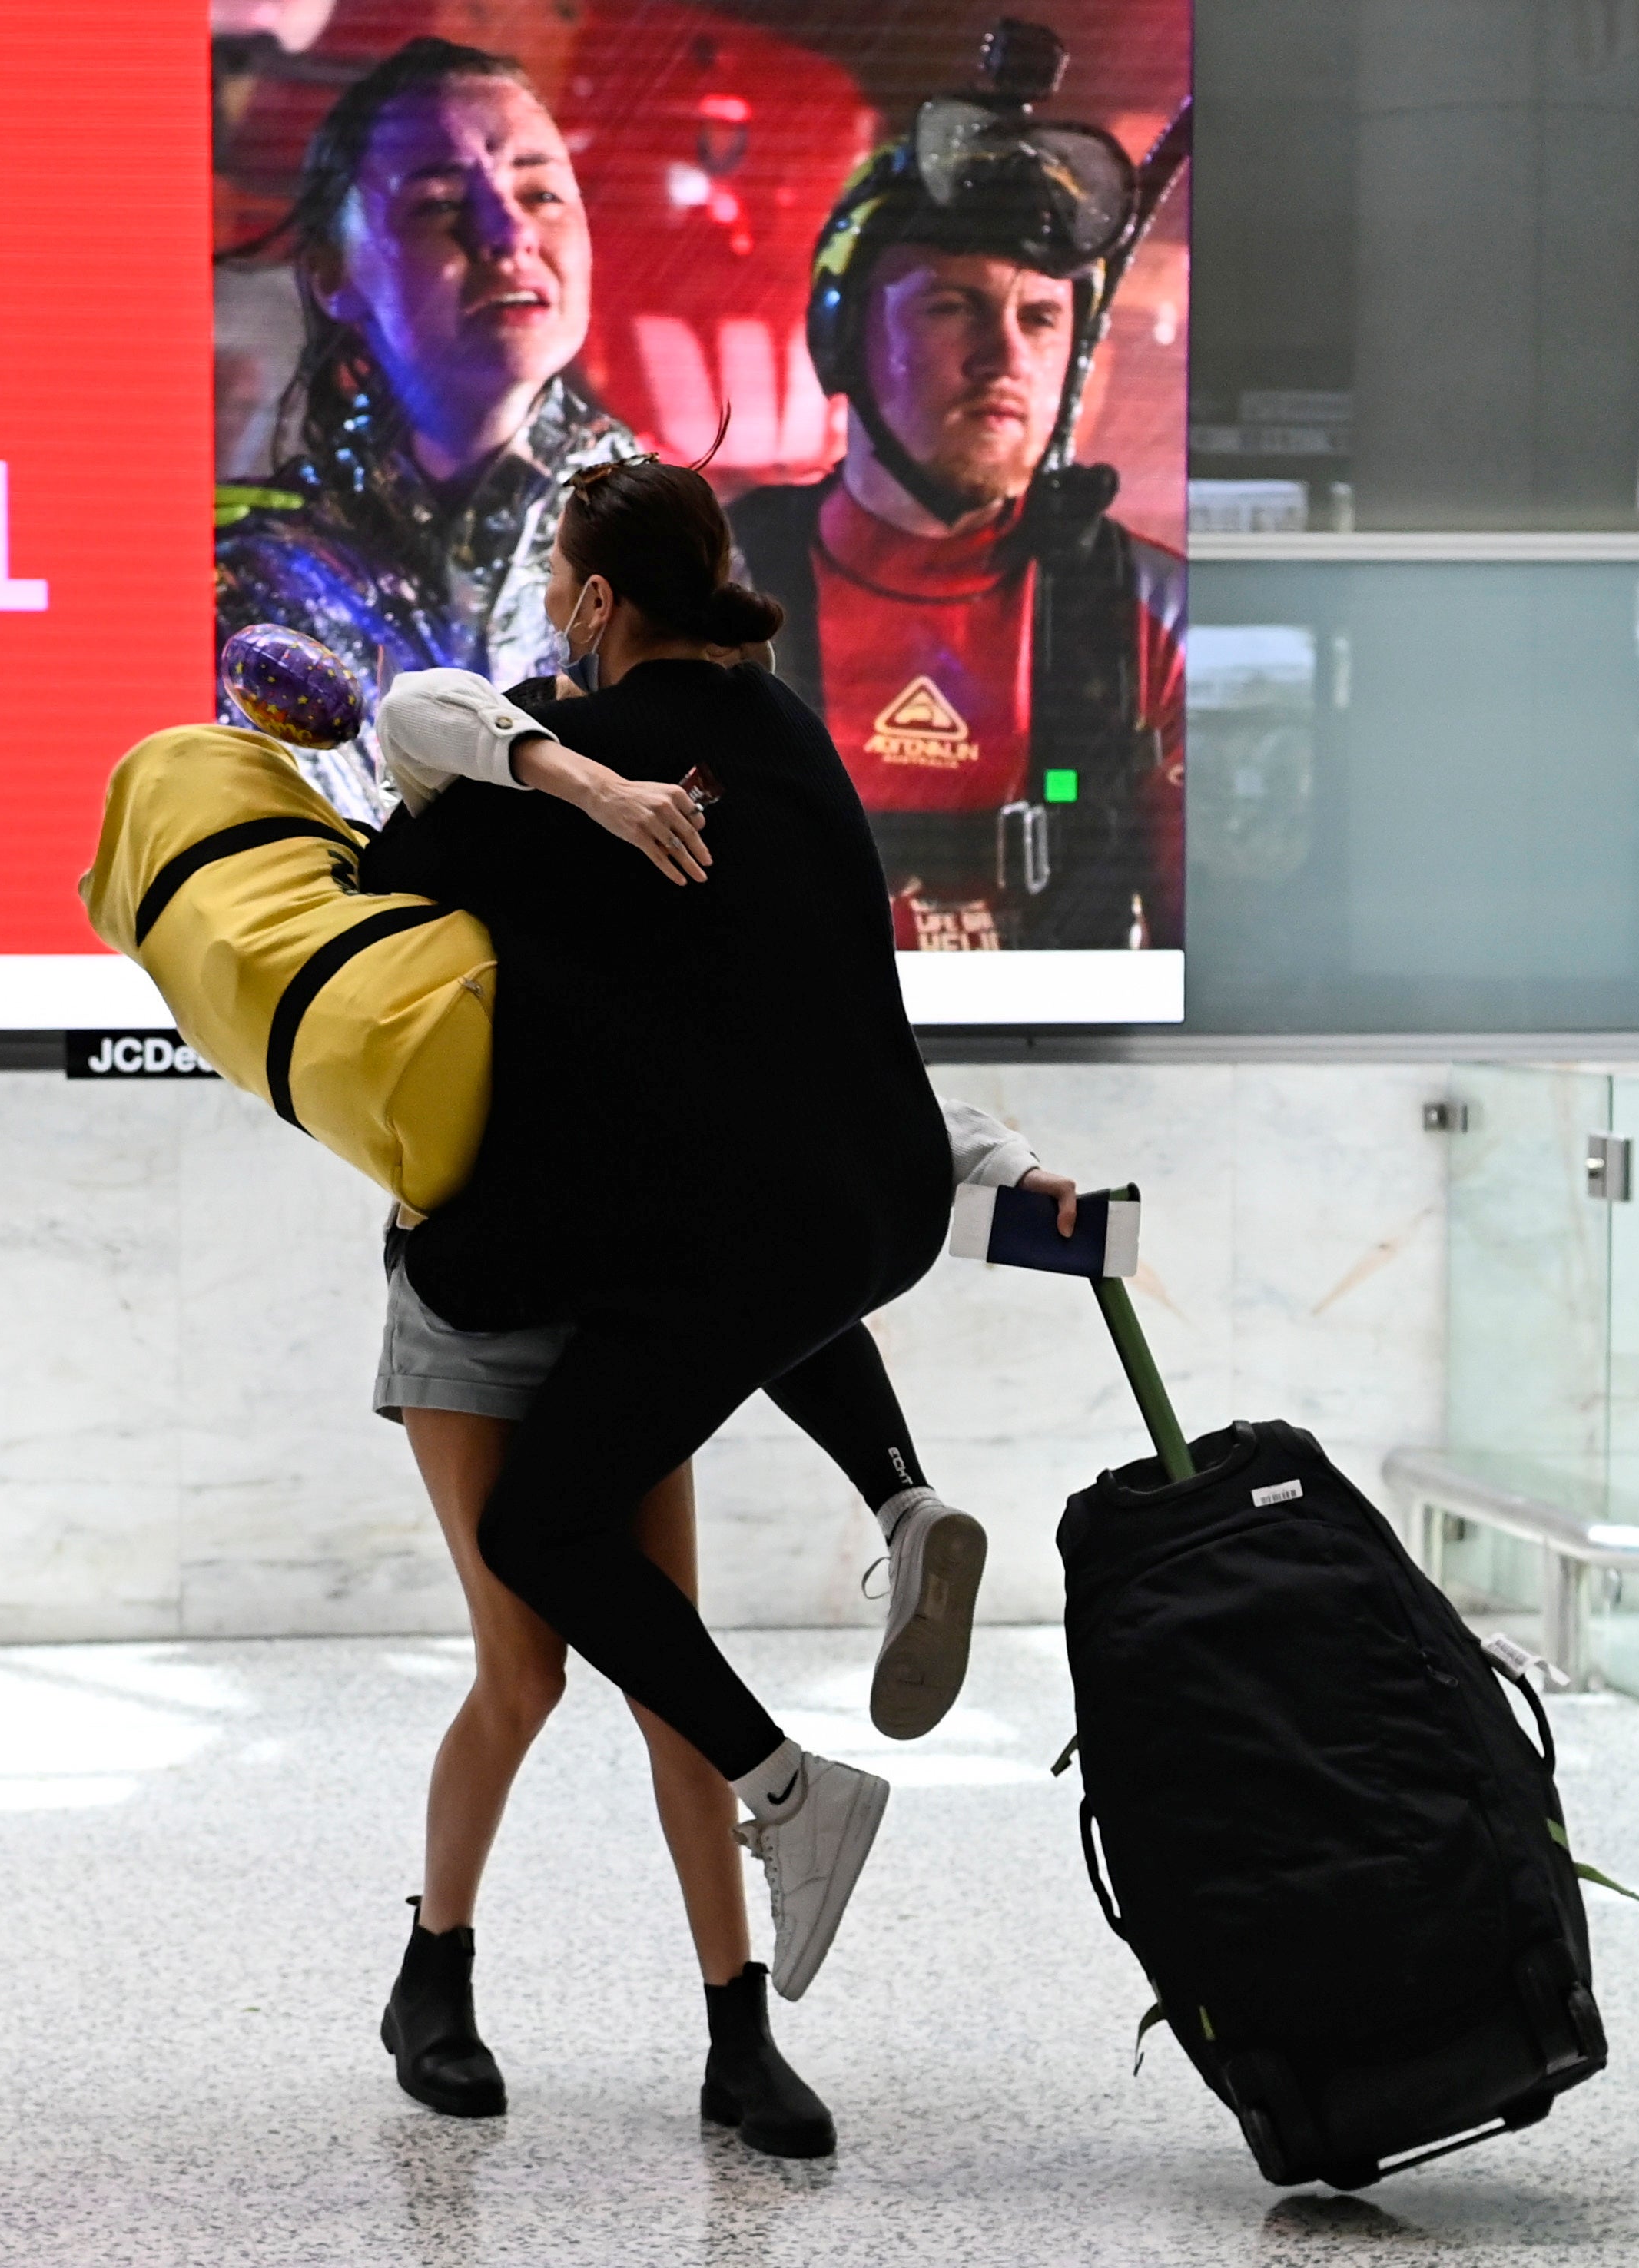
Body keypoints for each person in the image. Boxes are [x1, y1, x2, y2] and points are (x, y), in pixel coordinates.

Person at [355, 457, 957, 2040]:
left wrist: (548, 772)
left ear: (602, 601)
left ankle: (783, 1814)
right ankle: (904, 1497)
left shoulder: (571, 767)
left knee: (545, 1553)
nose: (553, 605)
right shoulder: (799, 742)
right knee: (584, 1647)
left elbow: (386, 852)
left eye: (564, 578)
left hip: (599, 1264)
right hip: (861, 1212)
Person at [726, 46, 1189, 953]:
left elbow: (1229, 984)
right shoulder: (705, 599)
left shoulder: (1151, 621)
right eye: (951, 307)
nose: (1006, 357)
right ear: (843, 332)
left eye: (1040, 317)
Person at [215, 37, 641, 820]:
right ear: (333, 272)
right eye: (441, 202)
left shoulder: (678, 546)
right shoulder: (257, 581)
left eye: (541, 193)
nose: (507, 235)